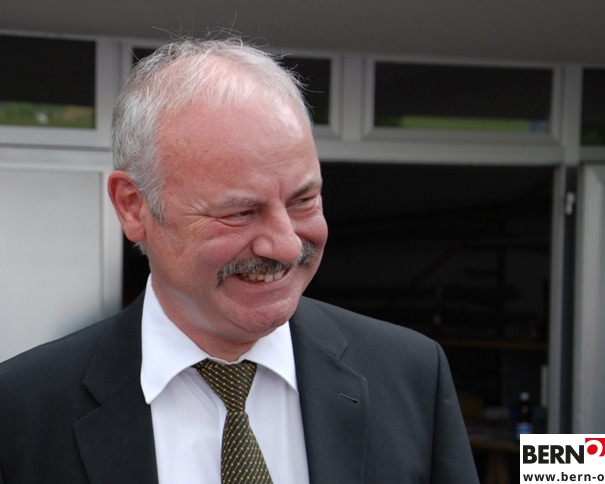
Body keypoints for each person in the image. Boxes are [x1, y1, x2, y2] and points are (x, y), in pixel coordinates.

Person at [0, 37, 479, 484]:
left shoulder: (410, 375)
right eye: (240, 212)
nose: (286, 246)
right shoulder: (22, 411)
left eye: (303, 201)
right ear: (134, 206)